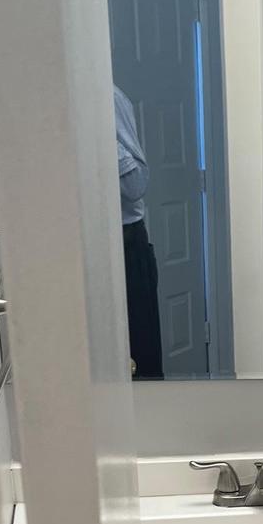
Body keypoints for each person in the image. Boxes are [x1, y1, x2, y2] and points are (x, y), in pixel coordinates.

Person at [114, 85, 163, 379]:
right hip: (84, 250)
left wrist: (98, 134)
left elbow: (135, 187)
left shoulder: (106, 98)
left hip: (128, 247)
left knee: (142, 363)